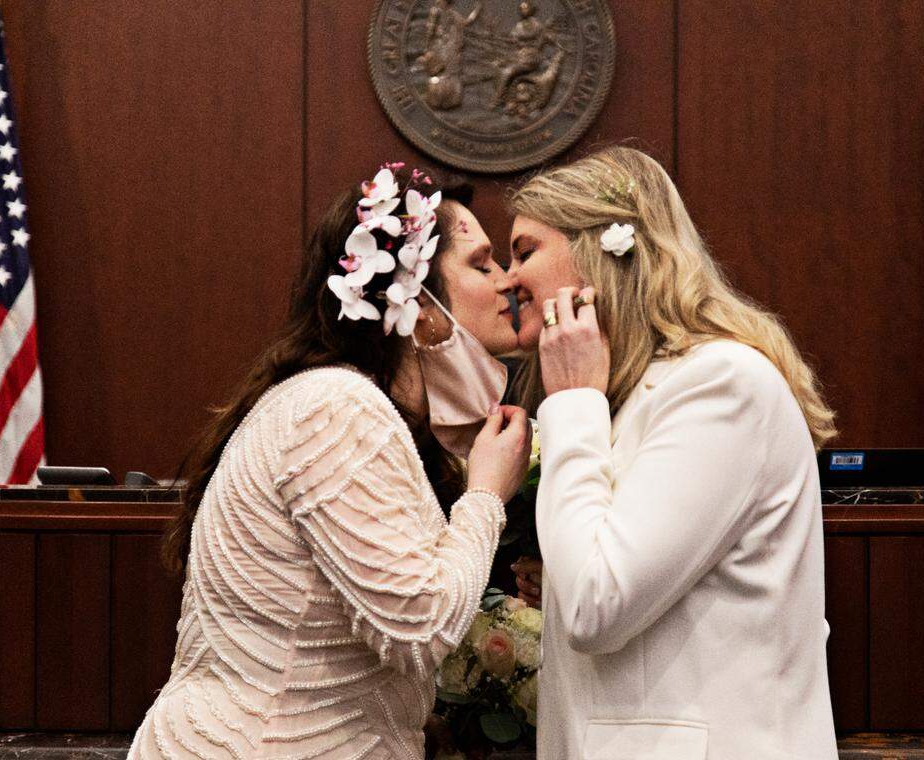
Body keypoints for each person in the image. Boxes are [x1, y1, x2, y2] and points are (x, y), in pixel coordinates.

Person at [128, 164, 531, 760]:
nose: (509, 283)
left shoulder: (346, 403)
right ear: (417, 304)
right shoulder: (337, 408)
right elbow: (418, 627)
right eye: (482, 264)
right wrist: (488, 495)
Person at [506, 146, 840, 759]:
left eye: (525, 251)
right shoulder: (635, 395)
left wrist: (575, 404)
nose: (508, 280)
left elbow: (595, 608)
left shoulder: (720, 385)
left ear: (595, 250)